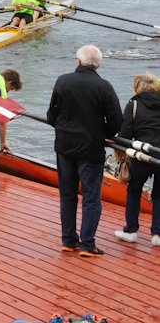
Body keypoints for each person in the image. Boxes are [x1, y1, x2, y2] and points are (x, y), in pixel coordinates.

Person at [47, 44, 123, 257]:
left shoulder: (63, 81)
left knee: (68, 195)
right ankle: (88, 244)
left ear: (78, 61)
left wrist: (63, 128)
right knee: (91, 197)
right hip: (91, 148)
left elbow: (52, 115)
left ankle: (69, 241)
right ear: (98, 64)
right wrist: (104, 133)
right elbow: (116, 120)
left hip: (64, 146)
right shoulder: (104, 86)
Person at [114, 73, 160, 246]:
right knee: (159, 195)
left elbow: (125, 133)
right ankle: (157, 234)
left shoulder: (134, 104)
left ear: (137, 88)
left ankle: (131, 230)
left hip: (143, 154)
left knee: (134, 190)